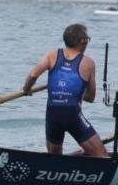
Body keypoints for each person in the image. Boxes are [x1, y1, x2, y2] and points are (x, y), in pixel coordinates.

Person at [21, 23, 108, 156]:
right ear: (82, 41)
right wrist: (74, 93)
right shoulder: (88, 63)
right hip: (72, 113)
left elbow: (33, 75)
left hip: (52, 112)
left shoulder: (51, 55)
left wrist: (27, 89)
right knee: (102, 156)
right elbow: (90, 97)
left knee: (55, 156)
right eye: (87, 39)